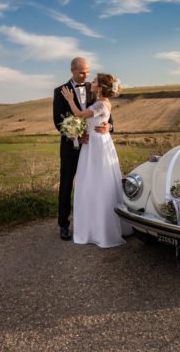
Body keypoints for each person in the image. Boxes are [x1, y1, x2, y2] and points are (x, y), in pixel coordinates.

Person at [60, 73, 133, 247]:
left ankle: (101, 228)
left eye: (94, 81)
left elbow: (79, 114)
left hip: (96, 146)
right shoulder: (102, 102)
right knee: (95, 183)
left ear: (100, 88)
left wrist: (70, 100)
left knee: (97, 183)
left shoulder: (100, 103)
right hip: (96, 143)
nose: (90, 81)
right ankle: (96, 225)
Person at [53, 57, 111, 241]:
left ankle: (92, 223)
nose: (86, 75)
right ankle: (64, 225)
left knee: (93, 185)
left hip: (93, 148)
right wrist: (77, 136)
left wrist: (109, 127)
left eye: (87, 72)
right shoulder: (60, 91)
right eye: (81, 72)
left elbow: (108, 118)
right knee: (66, 184)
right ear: (72, 70)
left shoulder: (94, 88)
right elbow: (58, 121)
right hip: (71, 148)